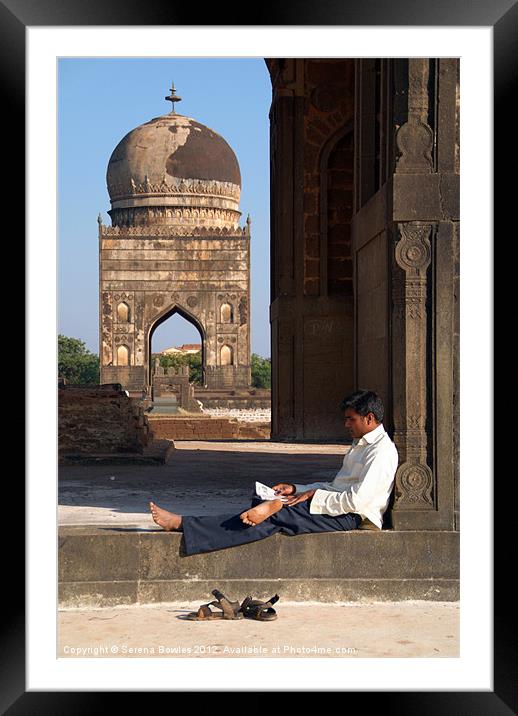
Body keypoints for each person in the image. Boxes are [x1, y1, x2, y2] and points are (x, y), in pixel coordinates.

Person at [149, 389, 398, 556]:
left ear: (369, 418)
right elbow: (338, 486)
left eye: (350, 419)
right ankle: (271, 507)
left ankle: (184, 523)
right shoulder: (362, 446)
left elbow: (356, 500)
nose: (346, 425)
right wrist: (297, 489)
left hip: (352, 517)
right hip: (335, 507)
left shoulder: (381, 452)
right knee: (261, 518)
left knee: (270, 513)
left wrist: (312, 497)